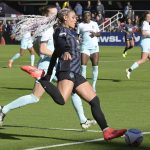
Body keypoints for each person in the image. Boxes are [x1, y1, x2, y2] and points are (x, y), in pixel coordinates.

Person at [36, 8, 127, 141]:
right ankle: (42, 81)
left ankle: (107, 131)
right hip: (67, 71)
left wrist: (49, 73)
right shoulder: (60, 31)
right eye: (73, 17)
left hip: (76, 72)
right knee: (61, 100)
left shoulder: (70, 32)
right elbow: (60, 45)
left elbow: (55, 53)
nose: (76, 19)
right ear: (65, 18)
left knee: (95, 100)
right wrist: (65, 51)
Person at [0, 6, 96, 129]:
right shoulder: (47, 30)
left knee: (73, 90)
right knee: (35, 97)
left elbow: (36, 46)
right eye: (53, 13)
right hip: (47, 66)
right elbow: (42, 49)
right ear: (47, 15)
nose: (56, 15)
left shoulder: (54, 29)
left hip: (56, 65)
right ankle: (3, 109)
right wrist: (60, 54)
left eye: (56, 13)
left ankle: (83, 120)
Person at [77, 11, 100, 91]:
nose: (87, 17)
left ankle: (93, 85)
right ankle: (84, 85)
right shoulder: (80, 25)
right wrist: (77, 42)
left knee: (95, 67)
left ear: (91, 16)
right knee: (83, 67)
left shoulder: (95, 24)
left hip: (94, 48)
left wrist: (95, 34)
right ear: (83, 17)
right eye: (85, 16)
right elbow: (77, 36)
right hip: (84, 47)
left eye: (88, 16)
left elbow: (99, 34)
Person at [126, 11, 150, 79]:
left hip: (147, 43)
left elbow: (140, 31)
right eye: (148, 17)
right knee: (143, 59)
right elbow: (143, 33)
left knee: (144, 59)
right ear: (145, 17)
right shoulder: (145, 23)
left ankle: (129, 70)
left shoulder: (146, 23)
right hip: (146, 43)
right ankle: (129, 69)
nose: (149, 18)